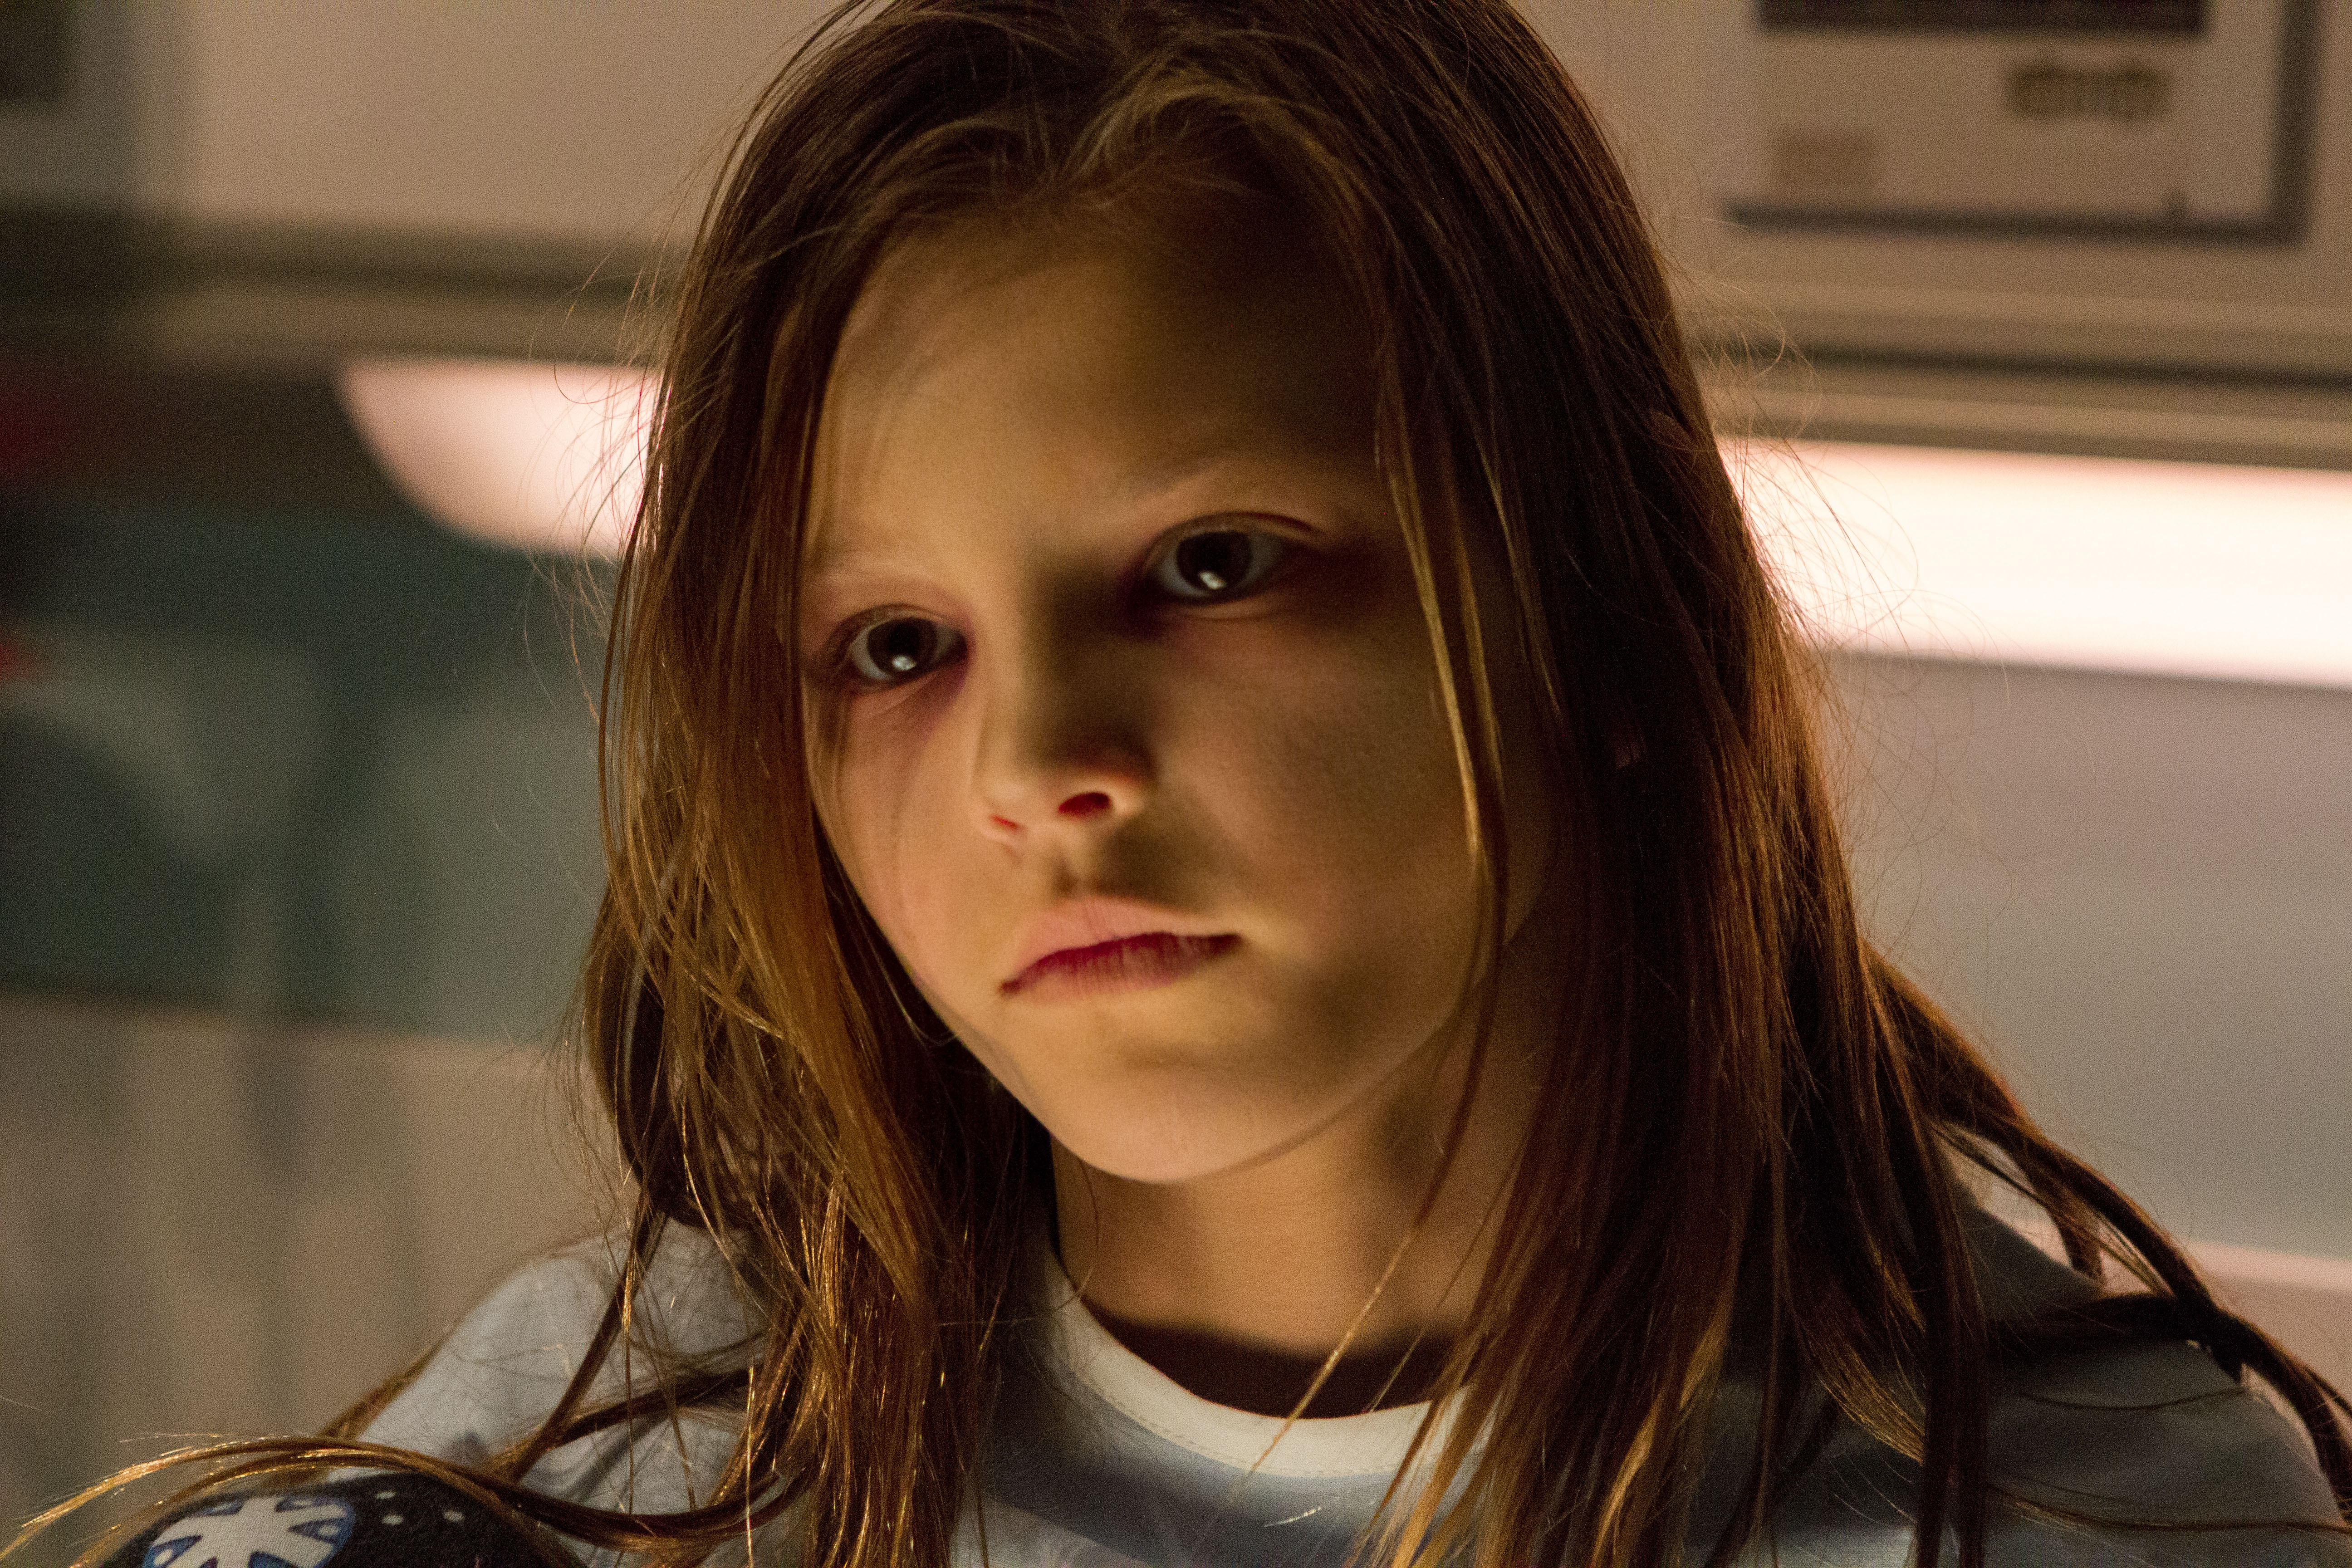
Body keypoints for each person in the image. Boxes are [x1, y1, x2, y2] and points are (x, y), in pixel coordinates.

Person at [24, 2, 2349, 1566]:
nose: (1044, 766)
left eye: (1213, 567)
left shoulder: (2092, 1522)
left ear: (1604, 601)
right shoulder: (604, 1477)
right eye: (896, 647)